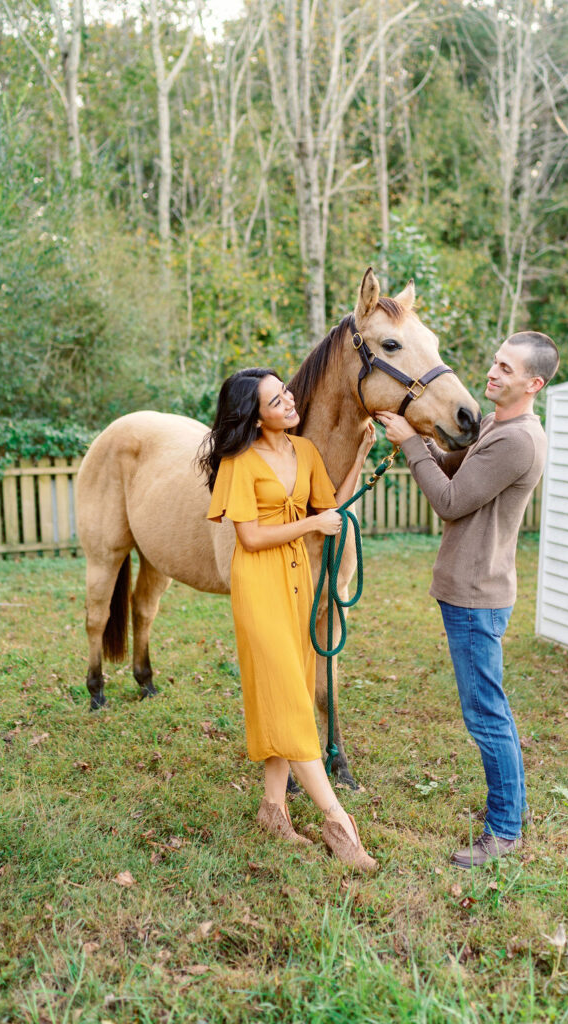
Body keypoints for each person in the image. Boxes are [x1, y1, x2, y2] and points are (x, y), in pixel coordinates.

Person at [377, 331, 559, 868]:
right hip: (473, 587)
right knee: (491, 709)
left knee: (486, 716)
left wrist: (411, 444)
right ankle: (514, 809)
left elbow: (450, 501)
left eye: (507, 368)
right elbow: (458, 469)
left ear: (534, 383)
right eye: (495, 362)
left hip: (477, 594)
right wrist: (418, 442)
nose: (493, 372)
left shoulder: (518, 440)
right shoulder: (497, 426)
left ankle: (504, 831)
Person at [197, 368, 378, 873]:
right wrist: (313, 524)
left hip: (297, 579)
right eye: (276, 400)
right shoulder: (239, 463)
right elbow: (250, 538)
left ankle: (272, 809)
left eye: (286, 392)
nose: (289, 402)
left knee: (292, 685)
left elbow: (332, 506)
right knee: (292, 698)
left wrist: (362, 456)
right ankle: (337, 821)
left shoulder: (305, 453)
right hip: (258, 582)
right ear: (254, 416)